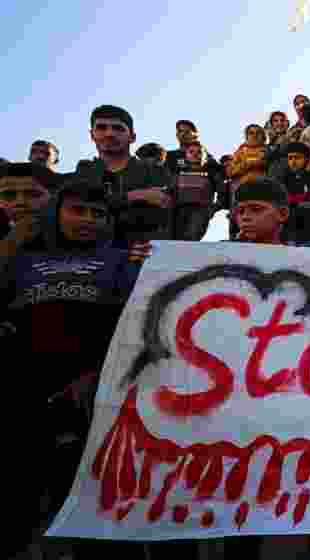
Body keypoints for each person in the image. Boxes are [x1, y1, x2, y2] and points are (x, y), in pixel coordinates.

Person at [2, 176, 151, 560]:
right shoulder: (22, 260)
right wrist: (14, 239)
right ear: (57, 213)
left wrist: (97, 374)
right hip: (24, 390)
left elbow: (135, 321)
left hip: (95, 393)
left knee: (96, 504)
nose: (87, 219)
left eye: (97, 213)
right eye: (77, 210)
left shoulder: (124, 259)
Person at [74, 105, 172, 243]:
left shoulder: (155, 171)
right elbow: (81, 212)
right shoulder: (85, 170)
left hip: (145, 255)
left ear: (132, 137)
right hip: (93, 255)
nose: (109, 134)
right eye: (101, 127)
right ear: (92, 135)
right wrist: (135, 196)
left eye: (118, 128)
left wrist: (109, 203)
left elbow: (159, 214)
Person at [170, 141, 221, 241]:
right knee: (175, 240)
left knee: (191, 239)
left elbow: (223, 193)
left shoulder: (211, 173)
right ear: (186, 155)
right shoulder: (178, 171)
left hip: (200, 211)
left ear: (205, 156)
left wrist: (213, 209)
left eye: (199, 152)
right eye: (191, 152)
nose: (195, 155)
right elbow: (170, 189)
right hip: (178, 210)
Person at [231, 177, 292, 245]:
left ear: (282, 214)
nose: (245, 217)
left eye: (256, 209)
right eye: (241, 211)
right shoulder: (224, 252)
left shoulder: (298, 254)